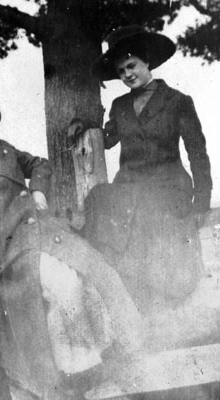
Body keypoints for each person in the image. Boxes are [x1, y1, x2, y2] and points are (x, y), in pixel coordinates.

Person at [0, 91, 144, 399]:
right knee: (66, 285)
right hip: (5, 246)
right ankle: (82, 369)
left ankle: (100, 359)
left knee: (94, 275)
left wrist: (39, 190)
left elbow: (40, 164)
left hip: (40, 230)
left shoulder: (3, 148)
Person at [69, 25, 212, 314]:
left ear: (147, 62)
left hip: (168, 186)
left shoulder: (177, 102)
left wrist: (202, 200)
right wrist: (85, 124)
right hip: (131, 186)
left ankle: (164, 303)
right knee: (100, 205)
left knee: (152, 230)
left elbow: (197, 152)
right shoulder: (120, 106)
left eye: (132, 66)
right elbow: (106, 139)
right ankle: (124, 301)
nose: (127, 75)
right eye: (121, 71)